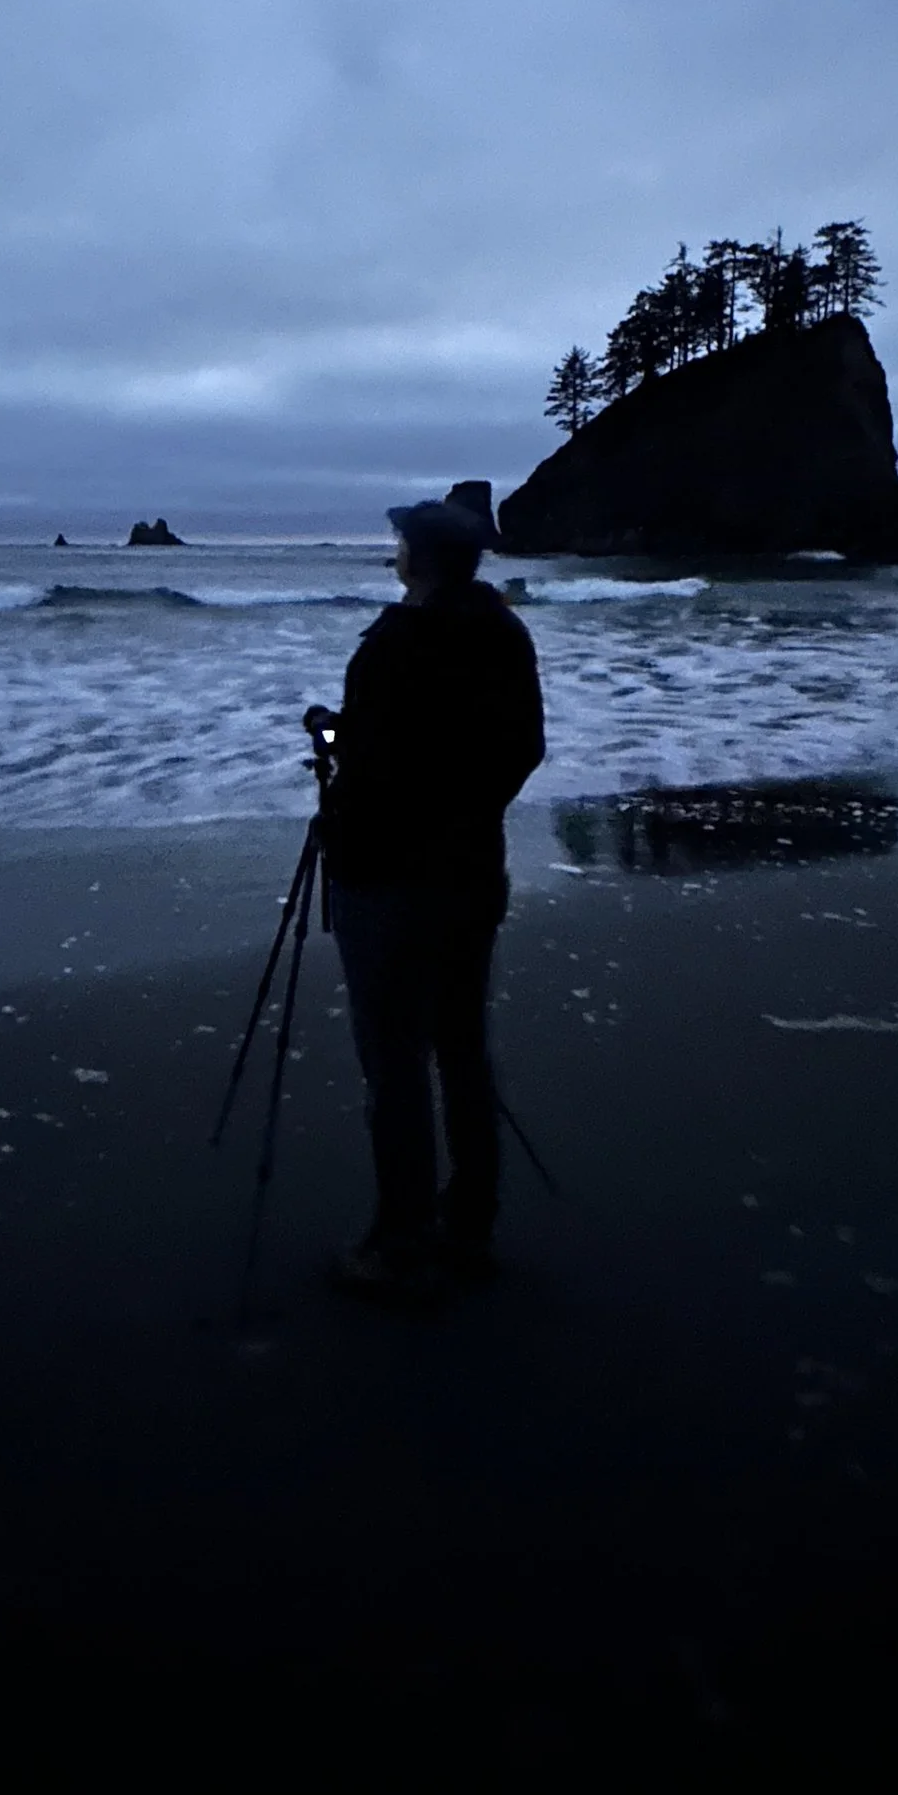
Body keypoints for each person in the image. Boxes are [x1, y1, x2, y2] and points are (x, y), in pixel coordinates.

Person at [304, 483, 546, 1305]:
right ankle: (469, 1227)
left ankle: (400, 1239)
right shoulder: (504, 634)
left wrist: (334, 750)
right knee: (462, 1051)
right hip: (472, 869)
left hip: (389, 879)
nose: (395, 554)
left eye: (402, 543)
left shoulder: (395, 644)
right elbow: (523, 747)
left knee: (396, 1063)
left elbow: (370, 760)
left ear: (423, 559)